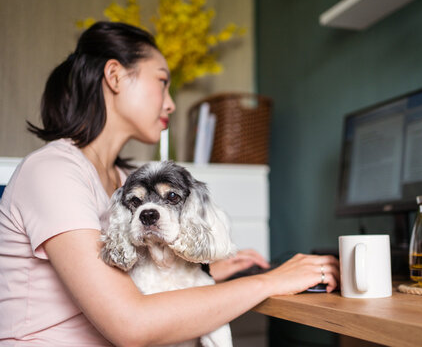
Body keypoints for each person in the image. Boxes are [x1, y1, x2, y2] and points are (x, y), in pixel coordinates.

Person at [0, 22, 339, 346]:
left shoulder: (123, 178)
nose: (171, 102)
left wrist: (198, 273)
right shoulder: (53, 171)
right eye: (162, 81)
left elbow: (136, 282)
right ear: (115, 76)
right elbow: (130, 323)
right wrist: (270, 281)